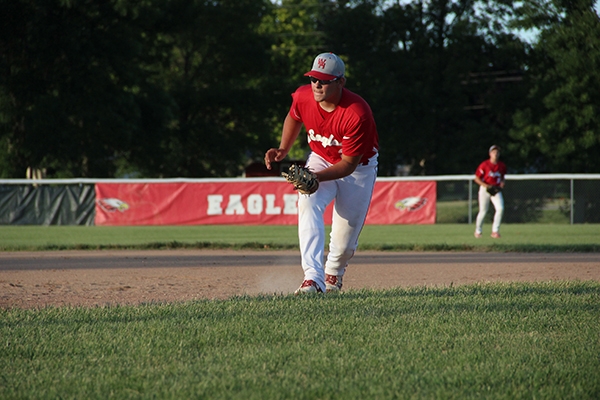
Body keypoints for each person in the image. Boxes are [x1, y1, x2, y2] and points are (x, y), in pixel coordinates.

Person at [264, 52, 379, 294]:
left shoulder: (357, 113)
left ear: (340, 82)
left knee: (345, 244)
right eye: (314, 78)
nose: (317, 84)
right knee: (308, 200)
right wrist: (283, 148)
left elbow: (348, 164)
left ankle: (333, 273)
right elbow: (294, 116)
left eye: (325, 80)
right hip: (320, 158)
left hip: (358, 169)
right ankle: (312, 278)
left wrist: (316, 177)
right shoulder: (304, 96)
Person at [474, 145, 506, 238]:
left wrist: (502, 184)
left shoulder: (501, 166)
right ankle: (478, 231)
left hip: (495, 189)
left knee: (500, 208)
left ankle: (495, 231)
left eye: (497, 152)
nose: (495, 154)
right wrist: (486, 186)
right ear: (490, 154)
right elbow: (476, 178)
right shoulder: (485, 165)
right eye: (493, 152)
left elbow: (502, 178)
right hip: (485, 189)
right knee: (483, 211)